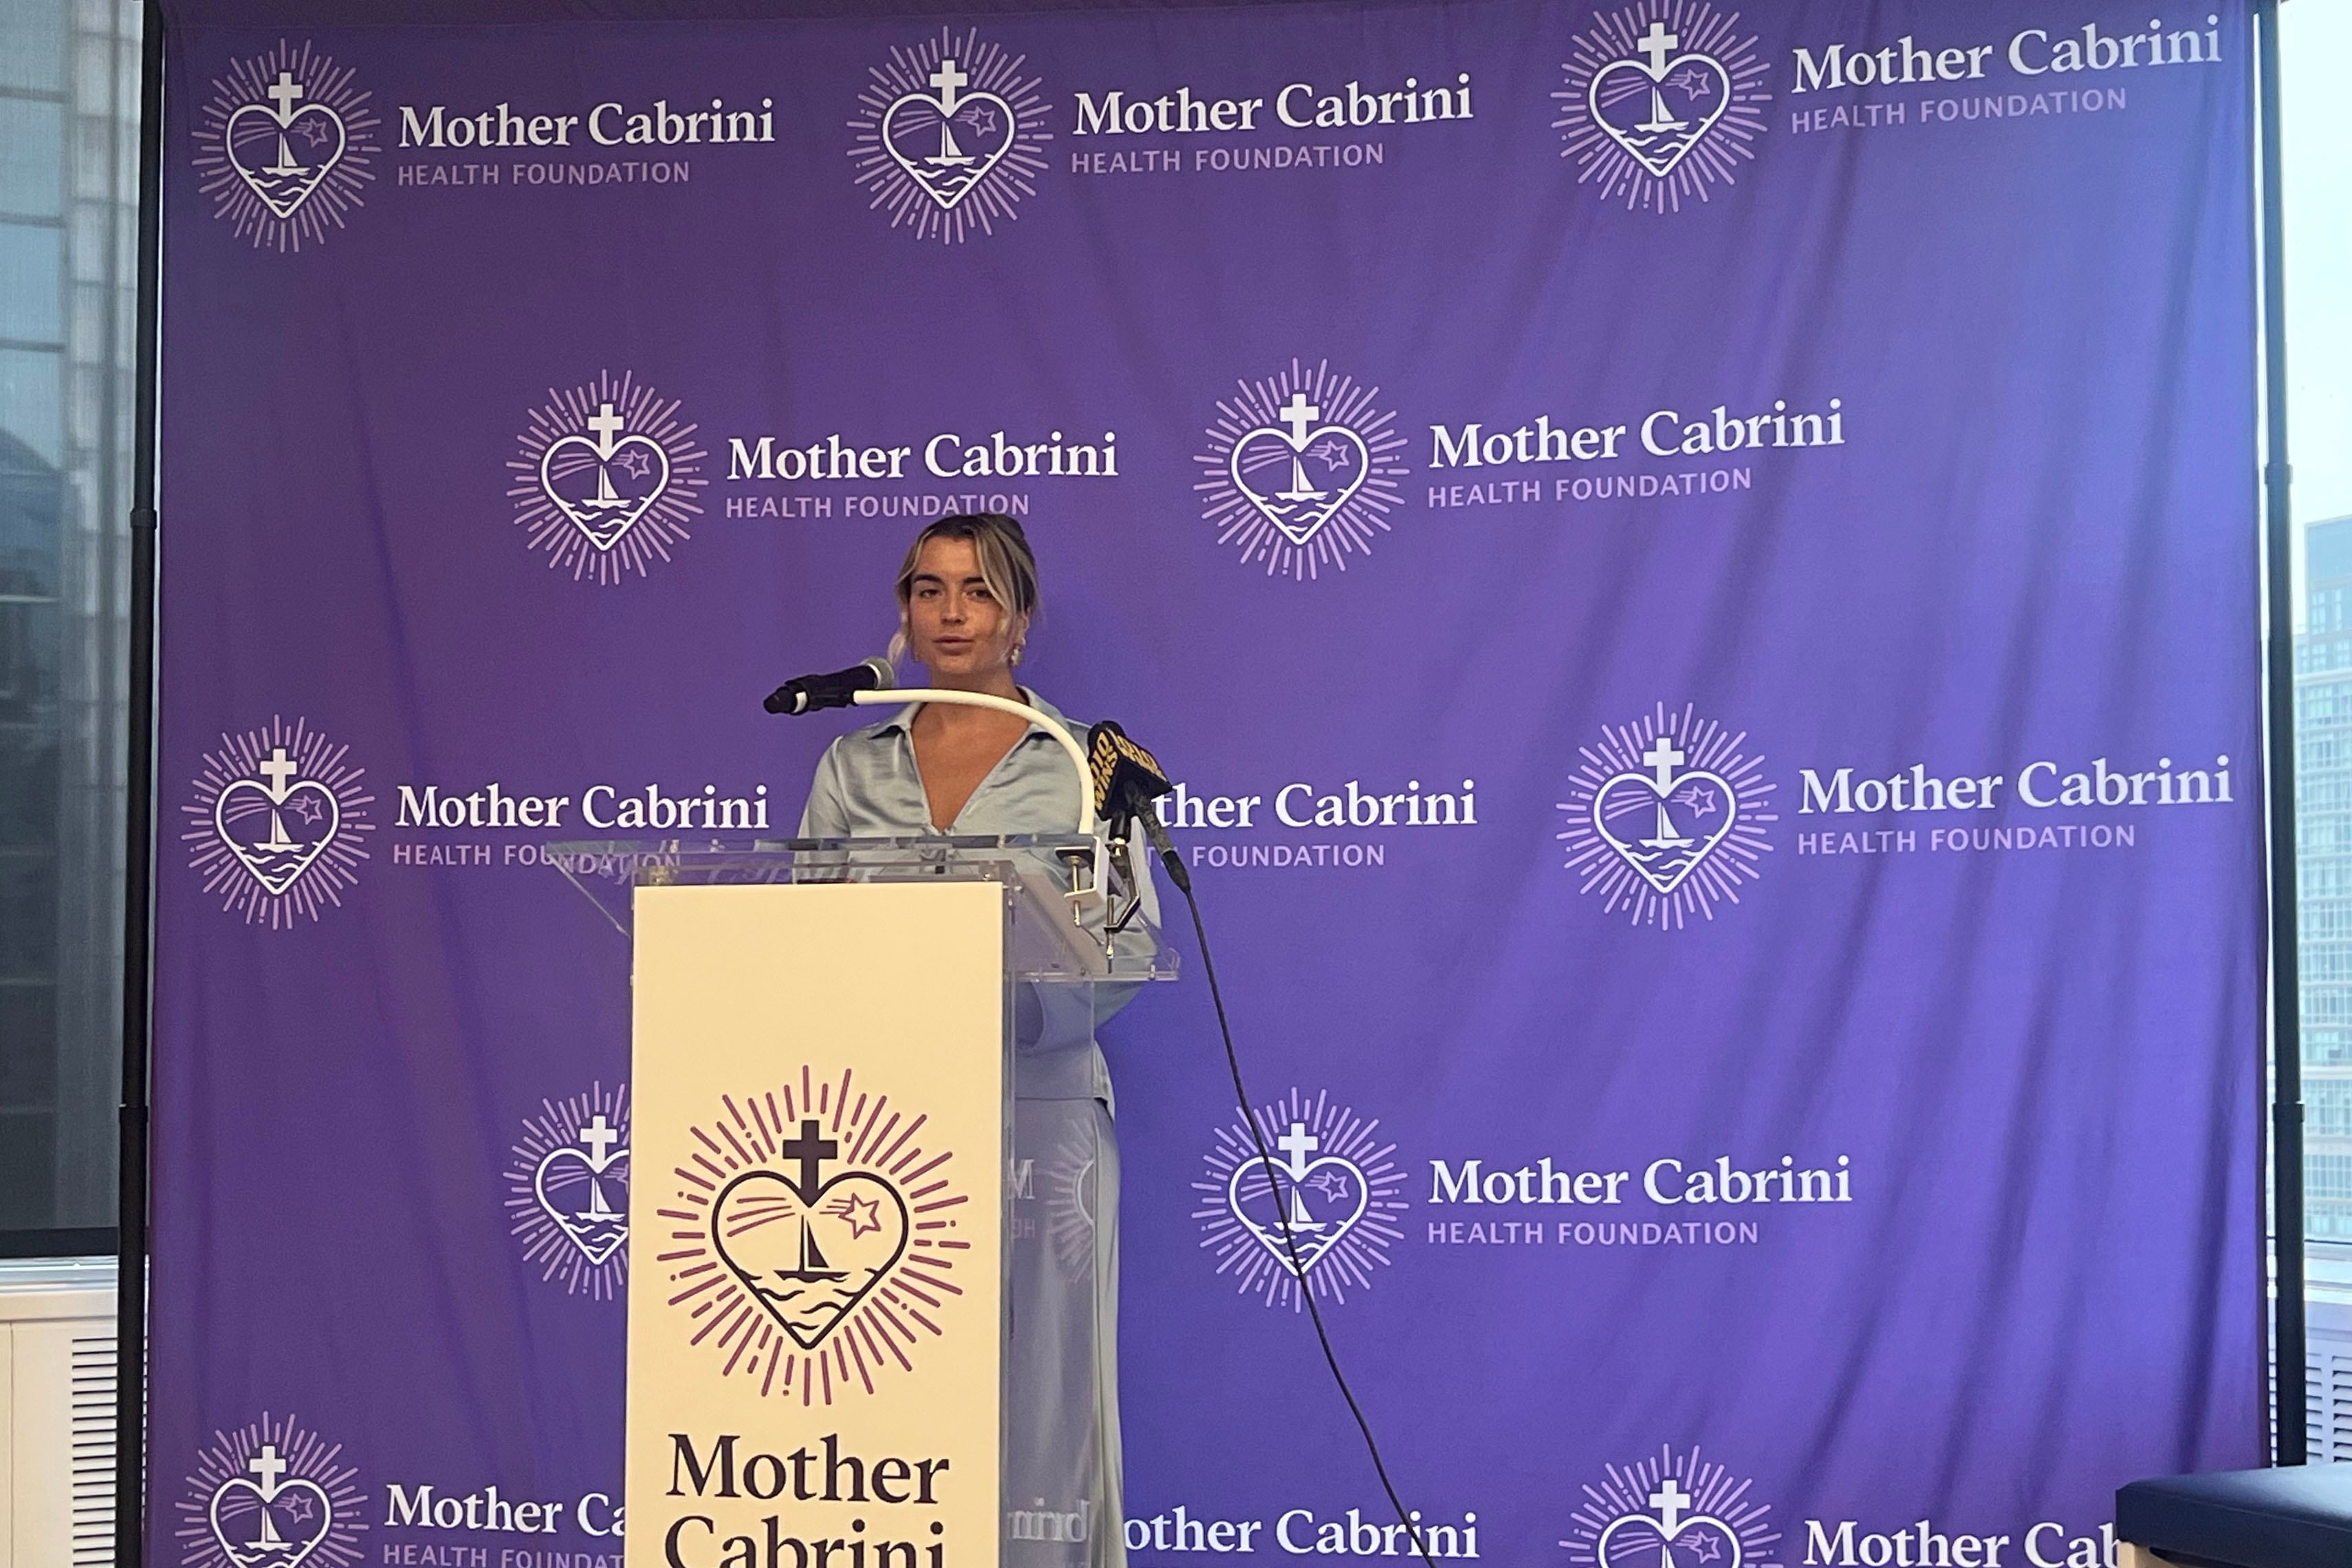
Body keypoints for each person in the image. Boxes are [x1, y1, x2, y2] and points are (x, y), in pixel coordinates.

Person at [798, 513, 1157, 1568]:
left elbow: (1131, 943)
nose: (952, 613)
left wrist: (991, 1014)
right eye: (928, 589)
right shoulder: (850, 764)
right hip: (877, 1127)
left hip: (1038, 1107)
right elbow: (802, 933)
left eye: (979, 591)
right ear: (904, 613)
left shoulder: (1087, 763)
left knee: (1046, 1396)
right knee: (883, 1382)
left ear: (1021, 619)